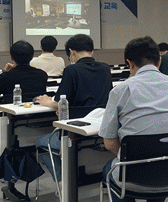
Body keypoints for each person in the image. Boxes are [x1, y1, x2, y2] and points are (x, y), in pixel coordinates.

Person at [100, 36, 168, 202]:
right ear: (159, 61)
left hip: (136, 174)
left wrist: (132, 155)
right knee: (163, 157)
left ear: (129, 64)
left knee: (112, 169)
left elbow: (109, 143)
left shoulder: (121, 90)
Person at [35, 34, 113, 180]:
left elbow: (60, 102)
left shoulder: (72, 70)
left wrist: (46, 101)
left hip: (75, 132)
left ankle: (63, 180)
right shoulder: (104, 68)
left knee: (40, 142)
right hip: (100, 131)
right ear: (92, 51)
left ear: (71, 51)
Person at [0, 41, 47, 105]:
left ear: (12, 58)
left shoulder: (5, 77)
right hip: (37, 115)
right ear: (31, 56)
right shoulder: (42, 75)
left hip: (12, 116)